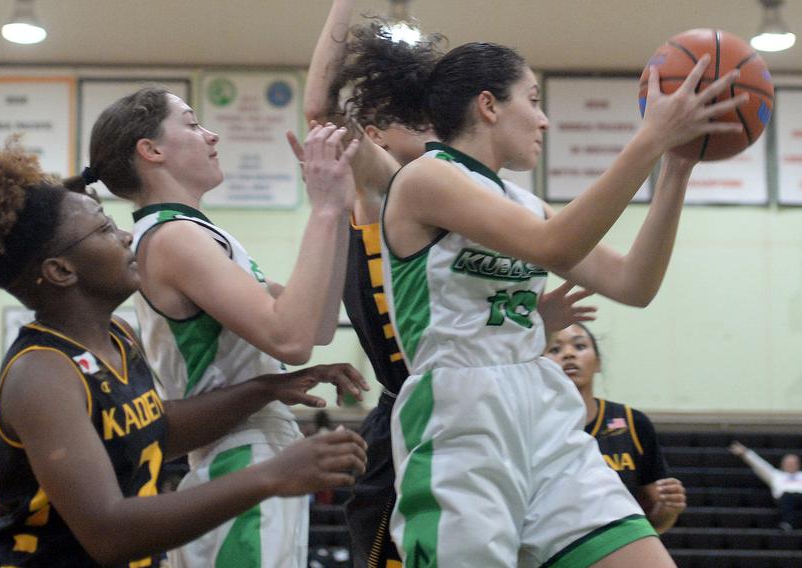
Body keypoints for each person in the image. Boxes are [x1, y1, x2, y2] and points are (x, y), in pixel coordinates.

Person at [334, 34, 745, 566]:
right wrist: (647, 139)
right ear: (488, 106)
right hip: (460, 413)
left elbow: (633, 284)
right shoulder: (425, 178)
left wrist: (676, 167)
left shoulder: (524, 202)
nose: (544, 119)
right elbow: (553, 246)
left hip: (541, 406)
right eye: (532, 100)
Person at [0, 141, 367, 567]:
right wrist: (272, 475)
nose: (128, 237)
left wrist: (268, 387)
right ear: (60, 270)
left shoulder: (118, 338)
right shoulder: (42, 375)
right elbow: (108, 532)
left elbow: (154, 430)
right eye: (104, 229)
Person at [302, 5, 595, 566]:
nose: (431, 130)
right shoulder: (392, 185)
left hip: (466, 402)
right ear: (373, 133)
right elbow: (320, 109)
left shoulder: (476, 203)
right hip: (415, 408)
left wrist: (530, 317)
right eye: (415, 122)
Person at [87, 87, 366, 568]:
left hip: (252, 451)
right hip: (236, 453)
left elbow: (316, 324)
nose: (211, 134)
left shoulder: (194, 232)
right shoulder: (174, 236)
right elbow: (291, 339)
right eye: (192, 123)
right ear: (151, 150)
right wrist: (320, 209)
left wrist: (338, 208)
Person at [544, 323, 686, 534]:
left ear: (598, 362)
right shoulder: (531, 428)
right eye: (555, 349)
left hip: (615, 547)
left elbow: (655, 524)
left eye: (579, 346)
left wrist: (669, 509)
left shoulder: (632, 422)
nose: (568, 354)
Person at [729, 441, 802, 530]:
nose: (790, 465)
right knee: (787, 498)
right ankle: (788, 524)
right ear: (782, 464)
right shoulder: (776, 475)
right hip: (786, 499)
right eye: (788, 462)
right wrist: (745, 452)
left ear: (798, 465)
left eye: (793, 463)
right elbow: (761, 465)